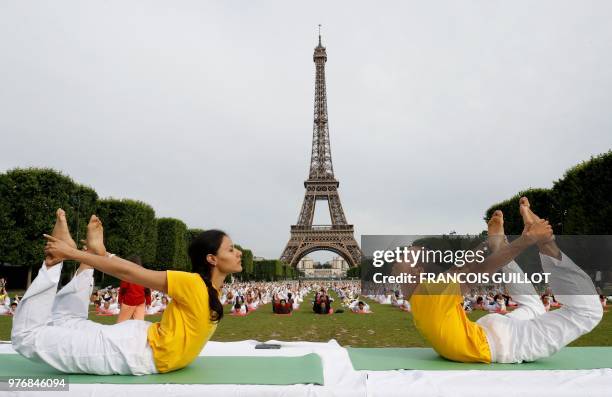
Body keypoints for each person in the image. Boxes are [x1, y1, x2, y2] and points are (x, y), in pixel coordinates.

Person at [11, 209, 242, 375]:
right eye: (231, 249)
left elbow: (131, 270)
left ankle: (86, 258)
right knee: (26, 338)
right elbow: (131, 272)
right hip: (135, 350)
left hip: (139, 342)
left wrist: (101, 254)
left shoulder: (211, 289)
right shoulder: (194, 284)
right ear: (212, 259)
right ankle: (55, 260)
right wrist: (76, 255)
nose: (238, 252)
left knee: (67, 320)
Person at [401, 197, 603, 364]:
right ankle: (526, 245)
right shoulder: (428, 292)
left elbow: (476, 269)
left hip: (496, 337)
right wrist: (491, 245)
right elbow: (466, 268)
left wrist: (524, 240)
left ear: (418, 271)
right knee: (555, 309)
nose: (394, 265)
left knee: (570, 310)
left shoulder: (427, 296)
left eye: (401, 260)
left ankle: (541, 245)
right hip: (495, 335)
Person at [117, 255, 152, 323]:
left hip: (128, 302)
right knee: (139, 324)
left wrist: (120, 301)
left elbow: (123, 290)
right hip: (140, 302)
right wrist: (148, 302)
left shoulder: (127, 275)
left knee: (121, 324)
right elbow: (147, 290)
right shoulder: (143, 274)